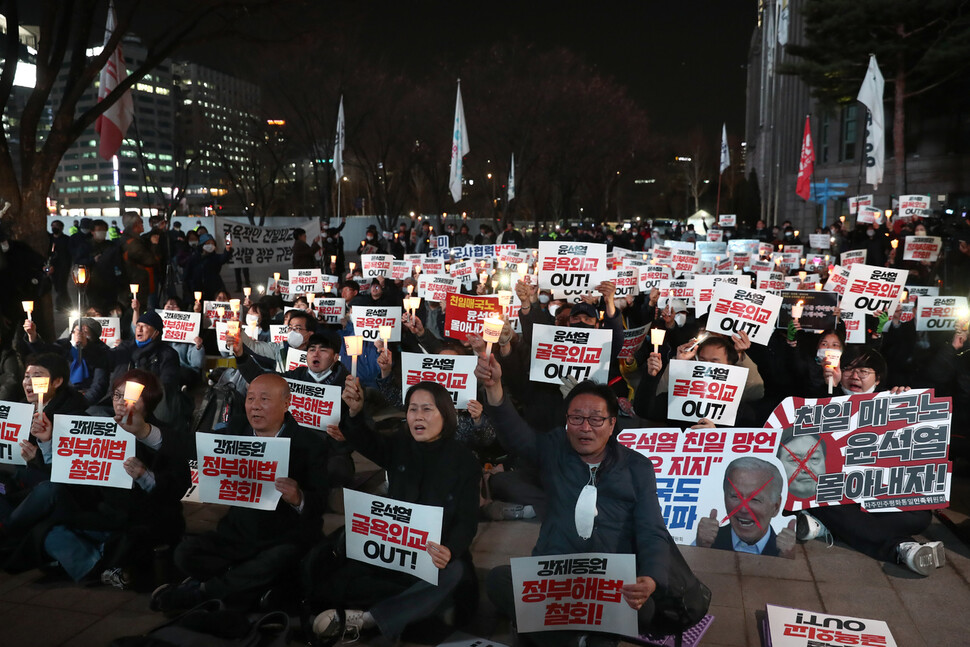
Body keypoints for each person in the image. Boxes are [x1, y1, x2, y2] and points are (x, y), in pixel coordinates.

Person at [475, 356, 670, 646]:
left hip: (605, 581)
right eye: (576, 418)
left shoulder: (637, 468)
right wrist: (495, 390)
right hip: (553, 576)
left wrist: (649, 579)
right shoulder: (555, 447)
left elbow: (652, 530)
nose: (585, 427)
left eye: (596, 419)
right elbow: (519, 439)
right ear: (567, 421)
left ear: (613, 423)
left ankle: (553, 632)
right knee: (499, 581)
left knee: (644, 609)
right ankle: (579, 638)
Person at [305, 378, 480, 644]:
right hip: (394, 547)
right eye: (412, 409)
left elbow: (467, 521)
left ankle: (369, 620)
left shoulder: (464, 461)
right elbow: (367, 440)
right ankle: (391, 614)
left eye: (426, 409)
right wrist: (354, 411)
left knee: (454, 573)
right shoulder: (400, 445)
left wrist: (451, 550)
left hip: (435, 552)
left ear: (445, 413)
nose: (418, 416)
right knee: (340, 549)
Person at [151, 373, 329, 612]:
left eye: (264, 399)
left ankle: (203, 592)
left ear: (286, 403)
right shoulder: (236, 428)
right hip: (238, 534)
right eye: (251, 398)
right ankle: (239, 586)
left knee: (274, 562)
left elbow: (320, 504)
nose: (254, 405)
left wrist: (299, 498)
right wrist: (145, 431)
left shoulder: (310, 443)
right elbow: (193, 446)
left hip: (284, 538)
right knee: (185, 553)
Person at [795, 346, 946, 576]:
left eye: (864, 371)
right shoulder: (822, 402)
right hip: (840, 496)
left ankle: (826, 527)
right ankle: (902, 549)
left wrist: (908, 401)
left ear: (878, 378)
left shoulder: (896, 402)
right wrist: (827, 394)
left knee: (919, 516)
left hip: (882, 495)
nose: (854, 376)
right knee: (820, 500)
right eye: (848, 369)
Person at [694, 457, 795, 558]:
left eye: (754, 499)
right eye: (735, 497)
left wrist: (789, 563)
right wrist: (700, 548)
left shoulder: (787, 553)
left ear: (776, 507)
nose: (743, 509)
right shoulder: (707, 543)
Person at [18, 317, 111, 407]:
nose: (79, 334)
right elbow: (44, 352)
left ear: (94, 336)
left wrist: (82, 402)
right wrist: (33, 336)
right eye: (76, 331)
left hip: (88, 399)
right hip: (62, 395)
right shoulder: (63, 345)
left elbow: (99, 384)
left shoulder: (102, 352)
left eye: (85, 332)